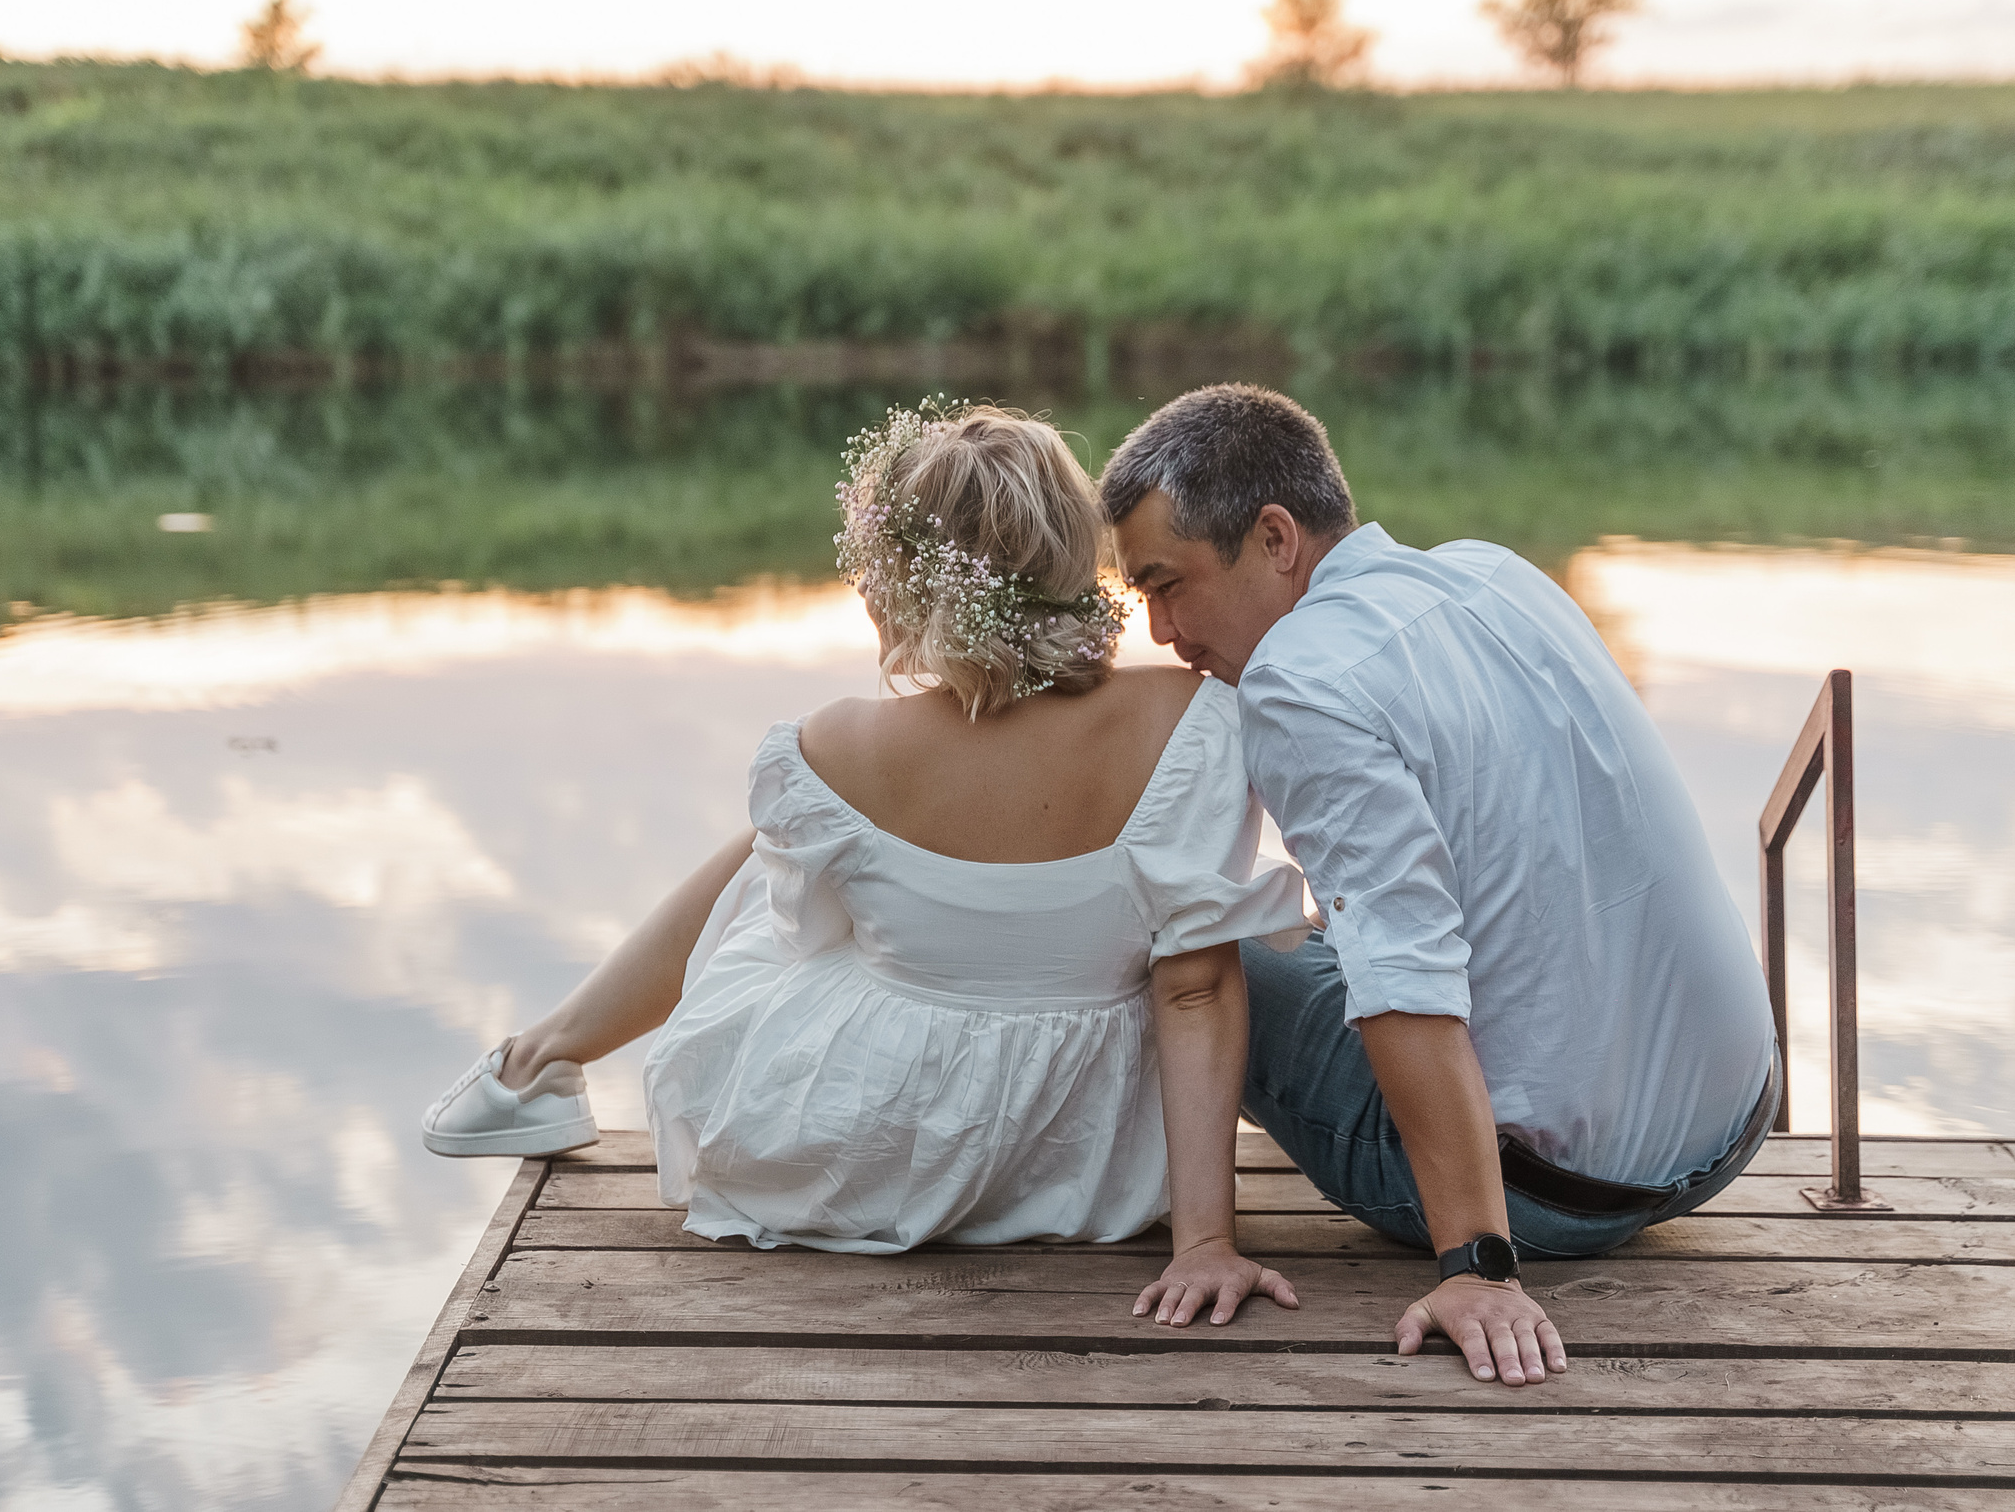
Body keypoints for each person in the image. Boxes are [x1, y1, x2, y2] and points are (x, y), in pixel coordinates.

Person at [421, 402, 1312, 1327]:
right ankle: (539, 1059)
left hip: (880, 1159)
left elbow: (801, 930)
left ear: (910, 579)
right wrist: (1204, 1242)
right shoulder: (1192, 716)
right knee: (816, 848)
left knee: (773, 862)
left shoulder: (836, 744)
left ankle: (537, 1061)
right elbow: (1196, 987)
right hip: (1101, 1167)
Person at [1101, 383, 1779, 1387]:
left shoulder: (1296, 677)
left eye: (1167, 584)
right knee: (1315, 912)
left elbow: (1403, 969)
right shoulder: (1494, 574)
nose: (1159, 630)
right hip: (1732, 1122)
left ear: (1275, 538)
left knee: (1184, 943)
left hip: (1554, 1198)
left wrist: (1479, 1267)